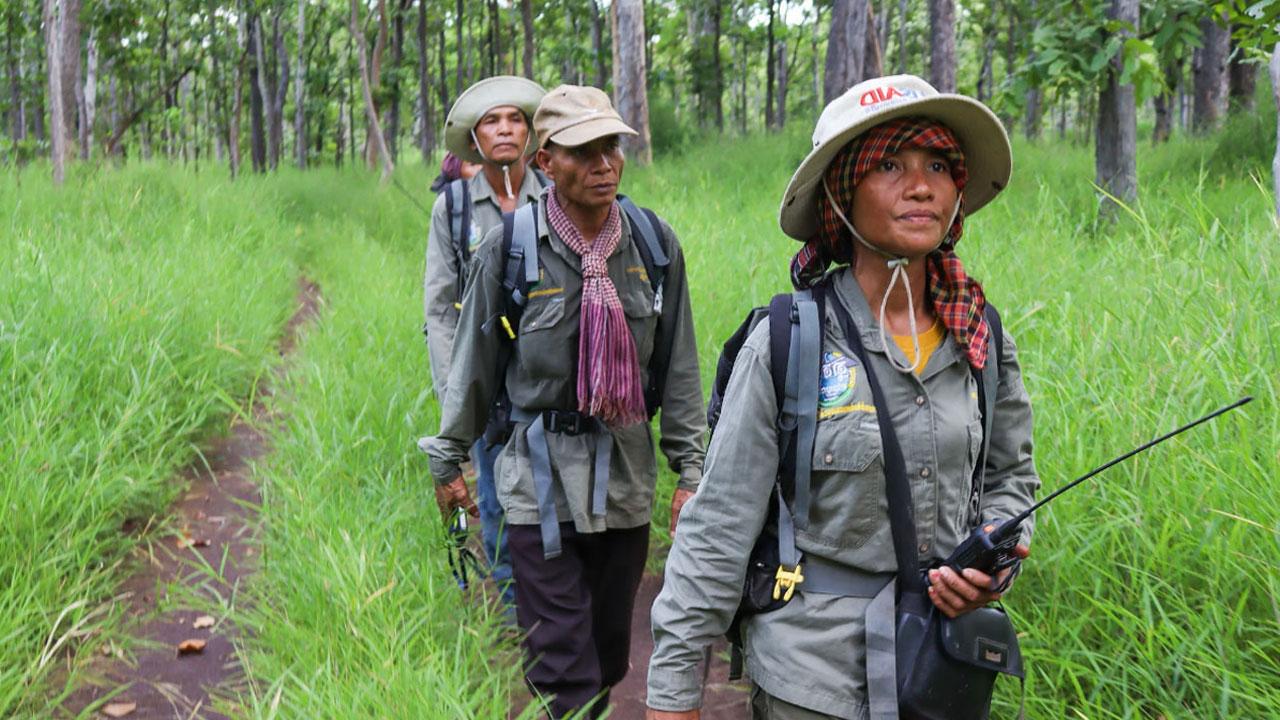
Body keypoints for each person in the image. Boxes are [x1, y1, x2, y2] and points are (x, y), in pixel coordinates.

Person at [646, 74, 1041, 720]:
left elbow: (1010, 480)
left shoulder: (981, 338)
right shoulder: (787, 342)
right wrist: (672, 697)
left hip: (941, 673)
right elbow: (715, 532)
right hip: (811, 684)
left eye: (938, 165)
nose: (921, 186)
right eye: (890, 164)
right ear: (841, 191)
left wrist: (993, 563)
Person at [421, 84, 707, 718]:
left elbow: (678, 369)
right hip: (535, 486)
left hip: (625, 484)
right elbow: (472, 370)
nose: (603, 163)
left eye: (611, 147)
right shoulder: (511, 249)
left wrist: (691, 473)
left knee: (608, 658)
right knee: (563, 670)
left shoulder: (653, 247)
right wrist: (450, 462)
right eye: (583, 151)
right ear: (545, 161)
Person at [421, 75, 548, 613]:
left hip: (548, 384)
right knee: (497, 505)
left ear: (530, 132)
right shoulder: (452, 209)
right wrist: (458, 397)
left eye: (514, 119)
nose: (503, 130)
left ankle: (554, 604)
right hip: (487, 386)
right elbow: (439, 308)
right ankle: (521, 616)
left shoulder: (554, 196)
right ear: (475, 138)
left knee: (556, 501)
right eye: (491, 121)